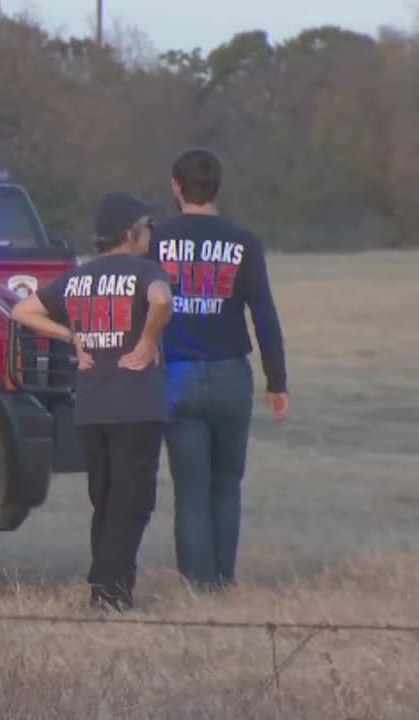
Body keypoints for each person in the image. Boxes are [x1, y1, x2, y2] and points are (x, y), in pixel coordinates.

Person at [12, 191, 173, 611]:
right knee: (132, 502)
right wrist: (147, 341)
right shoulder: (144, 270)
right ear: (129, 233)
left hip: (91, 407)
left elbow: (23, 311)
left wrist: (72, 336)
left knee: (104, 501)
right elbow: (161, 300)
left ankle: (103, 586)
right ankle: (112, 593)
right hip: (136, 405)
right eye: (146, 226)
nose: (151, 232)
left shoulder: (77, 278)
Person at [148, 148, 290, 592]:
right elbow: (263, 313)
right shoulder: (243, 241)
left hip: (178, 375)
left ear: (176, 186)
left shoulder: (156, 241)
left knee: (191, 492)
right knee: (226, 486)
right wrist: (277, 381)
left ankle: (198, 588)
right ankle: (224, 581)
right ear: (217, 187)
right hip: (231, 373)